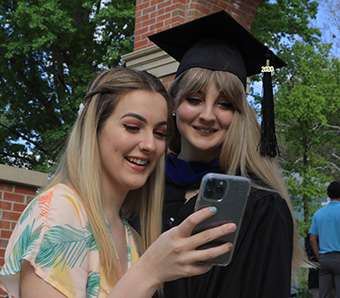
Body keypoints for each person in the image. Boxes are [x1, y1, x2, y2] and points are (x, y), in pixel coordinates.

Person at [0, 67, 237, 298]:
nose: (149, 145)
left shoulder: (129, 231)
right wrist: (148, 272)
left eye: (160, 133)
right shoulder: (60, 211)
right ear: (93, 128)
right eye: (133, 127)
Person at [148, 10, 305, 298]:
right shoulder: (144, 186)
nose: (207, 115)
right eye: (194, 100)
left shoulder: (260, 206)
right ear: (174, 104)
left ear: (239, 115)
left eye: (224, 104)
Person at [310, 181, 340, 298]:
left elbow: (312, 239)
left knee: (324, 295)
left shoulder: (318, 214)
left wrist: (319, 256)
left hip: (324, 258)